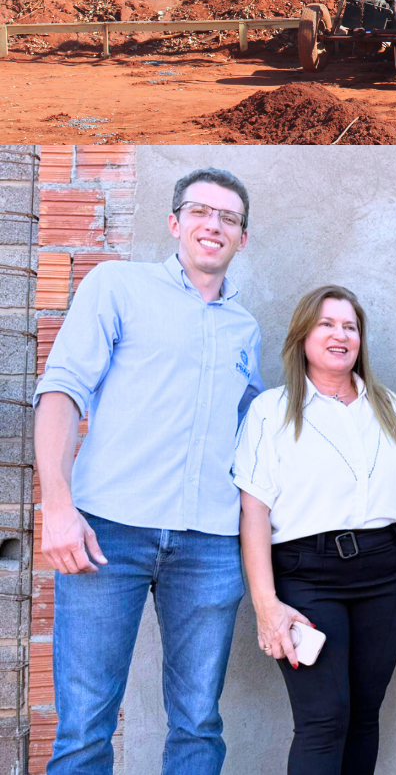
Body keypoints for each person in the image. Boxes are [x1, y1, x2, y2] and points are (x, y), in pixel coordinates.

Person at [34, 167, 261, 775]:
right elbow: (60, 392)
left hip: (211, 545)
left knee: (198, 726)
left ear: (243, 237)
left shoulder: (247, 329)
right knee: (85, 729)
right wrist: (57, 506)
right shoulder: (117, 286)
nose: (213, 224)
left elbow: (256, 434)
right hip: (107, 534)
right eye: (200, 211)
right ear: (174, 222)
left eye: (229, 218)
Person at [234, 286, 396, 775]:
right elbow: (253, 511)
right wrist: (265, 605)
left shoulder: (391, 410)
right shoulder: (271, 411)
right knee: (324, 719)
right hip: (307, 578)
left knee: (364, 716)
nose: (339, 335)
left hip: (385, 577)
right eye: (326, 324)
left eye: (349, 326)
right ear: (303, 335)